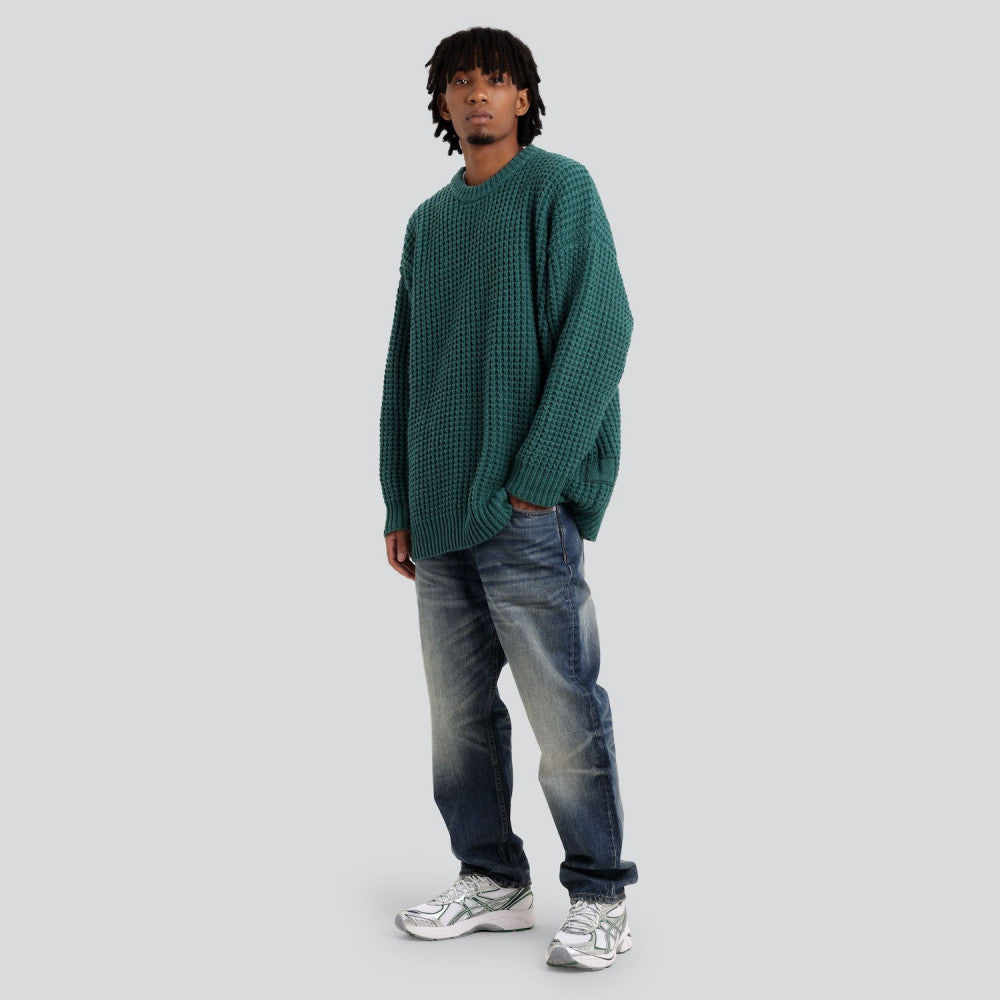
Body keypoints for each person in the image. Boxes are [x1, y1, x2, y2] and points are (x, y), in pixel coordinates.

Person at [378, 26, 639, 971]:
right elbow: (405, 369)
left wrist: (538, 480)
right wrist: (399, 499)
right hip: (441, 516)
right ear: (443, 105)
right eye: (461, 83)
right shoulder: (428, 224)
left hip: (527, 512)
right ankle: (492, 878)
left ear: (523, 97)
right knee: (458, 721)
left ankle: (601, 894)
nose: (478, 94)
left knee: (563, 712)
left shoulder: (559, 190)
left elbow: (602, 330)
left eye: (495, 80)